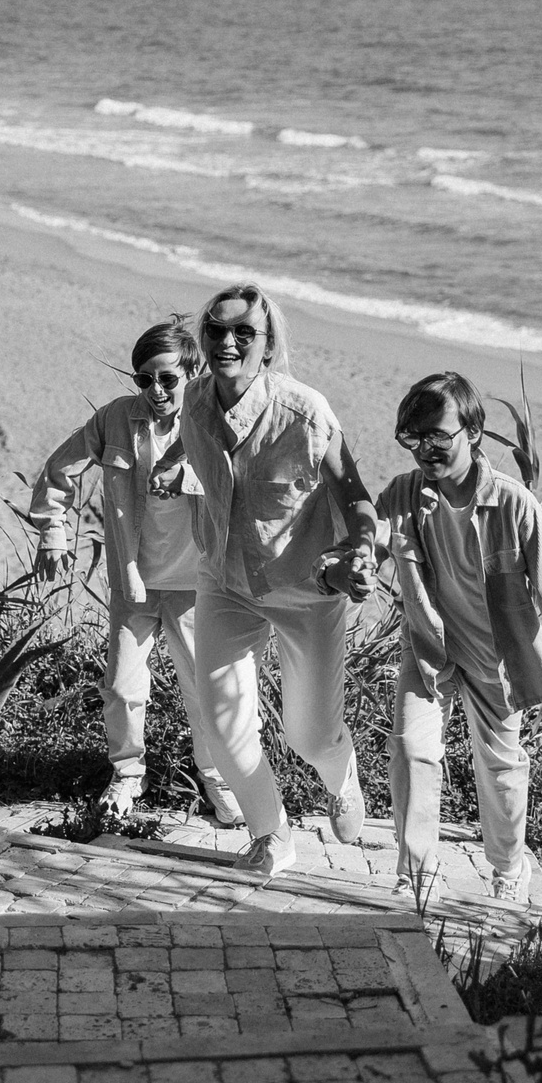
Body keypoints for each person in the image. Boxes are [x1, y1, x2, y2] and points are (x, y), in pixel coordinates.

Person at [377, 371, 542, 902]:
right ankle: (414, 876)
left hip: (496, 661)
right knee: (412, 748)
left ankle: (509, 871)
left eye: (439, 435)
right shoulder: (402, 494)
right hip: (429, 652)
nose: (425, 449)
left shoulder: (513, 504)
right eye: (412, 438)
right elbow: (366, 543)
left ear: (474, 432)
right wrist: (341, 565)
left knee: (502, 769)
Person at [180, 283, 378, 877]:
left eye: (245, 332)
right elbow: (194, 463)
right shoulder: (193, 402)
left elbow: (356, 495)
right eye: (216, 329)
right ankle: (271, 834)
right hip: (223, 580)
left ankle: (339, 776)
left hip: (304, 589)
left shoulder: (305, 412)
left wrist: (362, 549)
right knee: (221, 725)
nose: (228, 341)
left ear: (268, 347)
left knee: (310, 736)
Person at [29, 317, 241, 826]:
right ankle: (127, 775)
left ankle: (218, 780)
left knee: (204, 692)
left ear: (194, 373)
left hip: (198, 585)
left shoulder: (216, 424)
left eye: (168, 378)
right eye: (144, 378)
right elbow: (61, 469)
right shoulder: (116, 420)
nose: (156, 389)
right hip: (135, 582)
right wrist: (53, 531)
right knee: (123, 687)